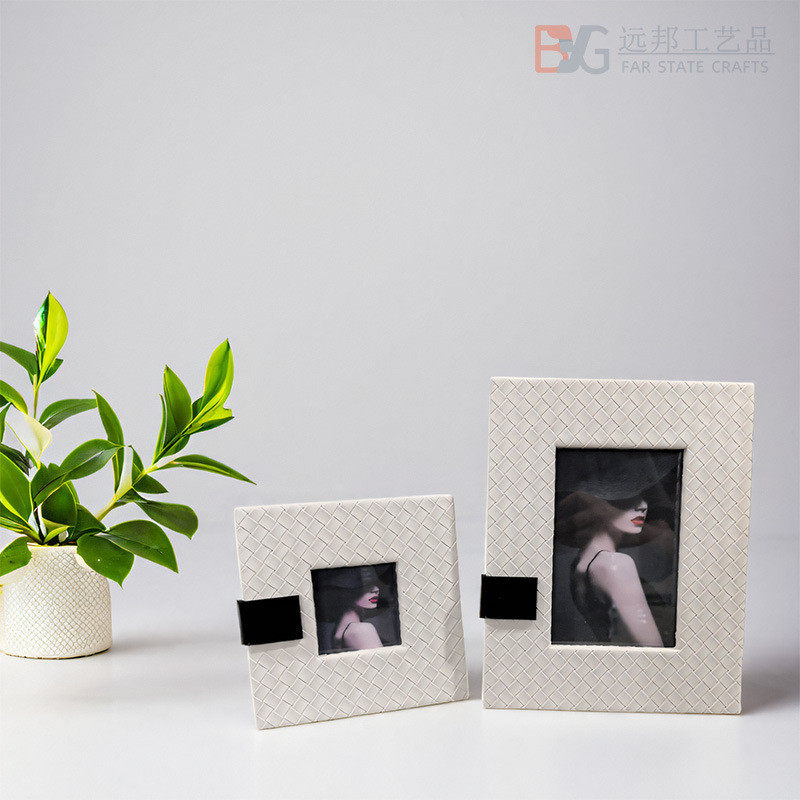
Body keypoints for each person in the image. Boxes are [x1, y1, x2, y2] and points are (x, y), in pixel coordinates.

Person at [552, 450, 682, 647]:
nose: (643, 506)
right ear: (593, 502)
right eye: (625, 498)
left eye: (643, 496)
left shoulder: (581, 563)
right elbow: (653, 650)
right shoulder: (616, 564)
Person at [312, 564, 400, 654]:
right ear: (345, 591)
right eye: (366, 584)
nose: (376, 589)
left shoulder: (342, 628)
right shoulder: (361, 630)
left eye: (375, 582)